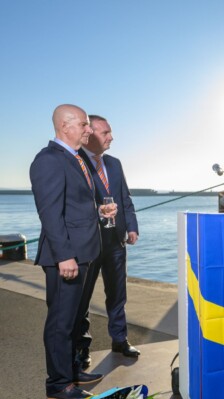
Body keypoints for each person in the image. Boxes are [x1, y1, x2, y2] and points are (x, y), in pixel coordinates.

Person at [30, 105, 116, 399]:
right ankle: (58, 384)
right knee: (61, 322)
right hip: (66, 256)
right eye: (84, 124)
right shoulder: (49, 160)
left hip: (84, 253)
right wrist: (64, 255)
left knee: (75, 319)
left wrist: (100, 210)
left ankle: (72, 372)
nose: (88, 129)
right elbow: (50, 213)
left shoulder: (77, 158)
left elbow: (73, 206)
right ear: (65, 126)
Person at [76, 115, 141, 368]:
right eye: (106, 133)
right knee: (82, 298)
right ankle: (82, 348)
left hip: (115, 240)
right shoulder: (75, 161)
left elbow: (125, 197)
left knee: (117, 294)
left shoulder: (114, 163)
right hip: (88, 241)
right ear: (90, 134)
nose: (111, 137)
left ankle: (120, 339)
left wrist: (131, 226)